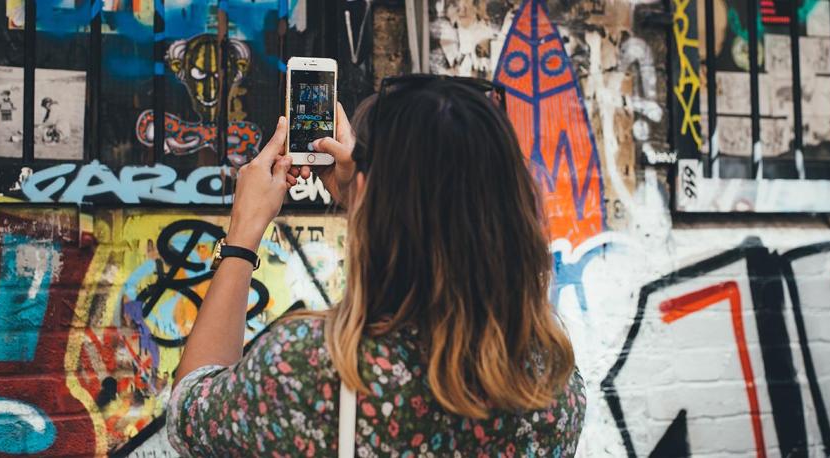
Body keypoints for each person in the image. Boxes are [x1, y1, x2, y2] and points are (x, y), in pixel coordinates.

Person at [166, 77, 586, 456]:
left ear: (364, 188)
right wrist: (369, 198)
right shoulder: (550, 380)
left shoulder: (310, 368)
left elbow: (187, 413)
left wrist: (243, 235)